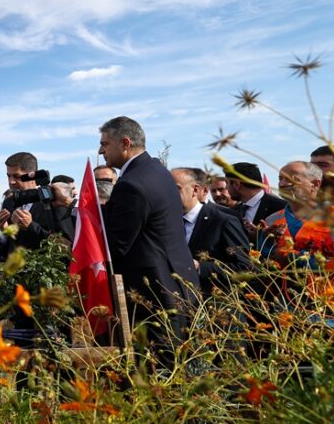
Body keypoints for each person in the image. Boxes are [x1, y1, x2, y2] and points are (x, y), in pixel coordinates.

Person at [98, 117, 199, 360]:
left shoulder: (132, 183)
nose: (101, 151)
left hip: (155, 296)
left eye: (104, 144)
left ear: (125, 143)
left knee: (158, 376)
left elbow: (117, 245)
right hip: (178, 286)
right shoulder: (157, 171)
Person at [265, 161, 334, 293]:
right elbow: (263, 258)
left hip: (327, 303)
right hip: (277, 301)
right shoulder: (272, 219)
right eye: (280, 178)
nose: (282, 184)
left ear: (315, 184)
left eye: (290, 179)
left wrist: (294, 259)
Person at [172, 167, 254, 295]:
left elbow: (245, 268)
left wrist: (200, 267)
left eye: (176, 189)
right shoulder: (169, 222)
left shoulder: (223, 221)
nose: (169, 194)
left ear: (195, 190)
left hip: (217, 304)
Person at [0, 152, 73, 258]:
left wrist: (31, 226)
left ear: (32, 175)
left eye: (17, 176)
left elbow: (67, 246)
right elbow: (5, 249)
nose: (11, 181)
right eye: (8, 176)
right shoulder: (9, 202)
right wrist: (4, 232)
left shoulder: (54, 201)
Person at [225, 162, 288, 243]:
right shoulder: (233, 211)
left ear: (236, 184)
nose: (226, 188)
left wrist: (260, 235)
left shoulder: (281, 207)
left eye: (227, 183)